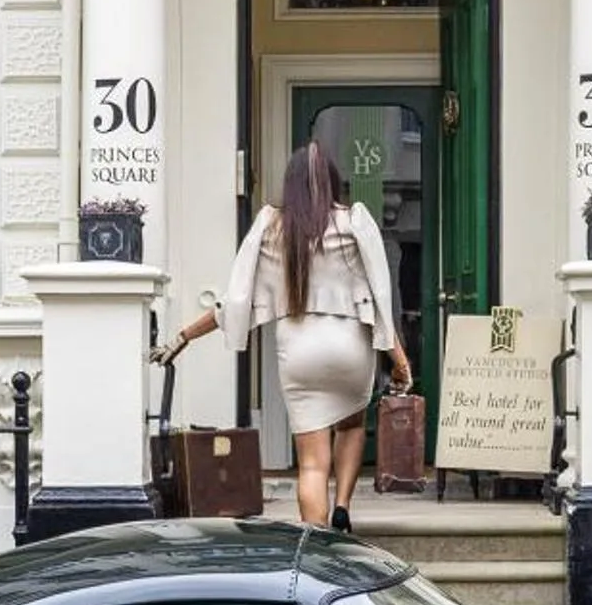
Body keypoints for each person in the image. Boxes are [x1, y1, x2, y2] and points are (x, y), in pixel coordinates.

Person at [154, 141, 412, 531]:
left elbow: (235, 301)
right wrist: (399, 360)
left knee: (311, 464)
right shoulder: (355, 221)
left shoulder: (272, 226)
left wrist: (183, 336)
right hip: (349, 347)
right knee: (351, 425)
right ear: (333, 181)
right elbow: (379, 297)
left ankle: (317, 540)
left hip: (299, 350)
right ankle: (342, 506)